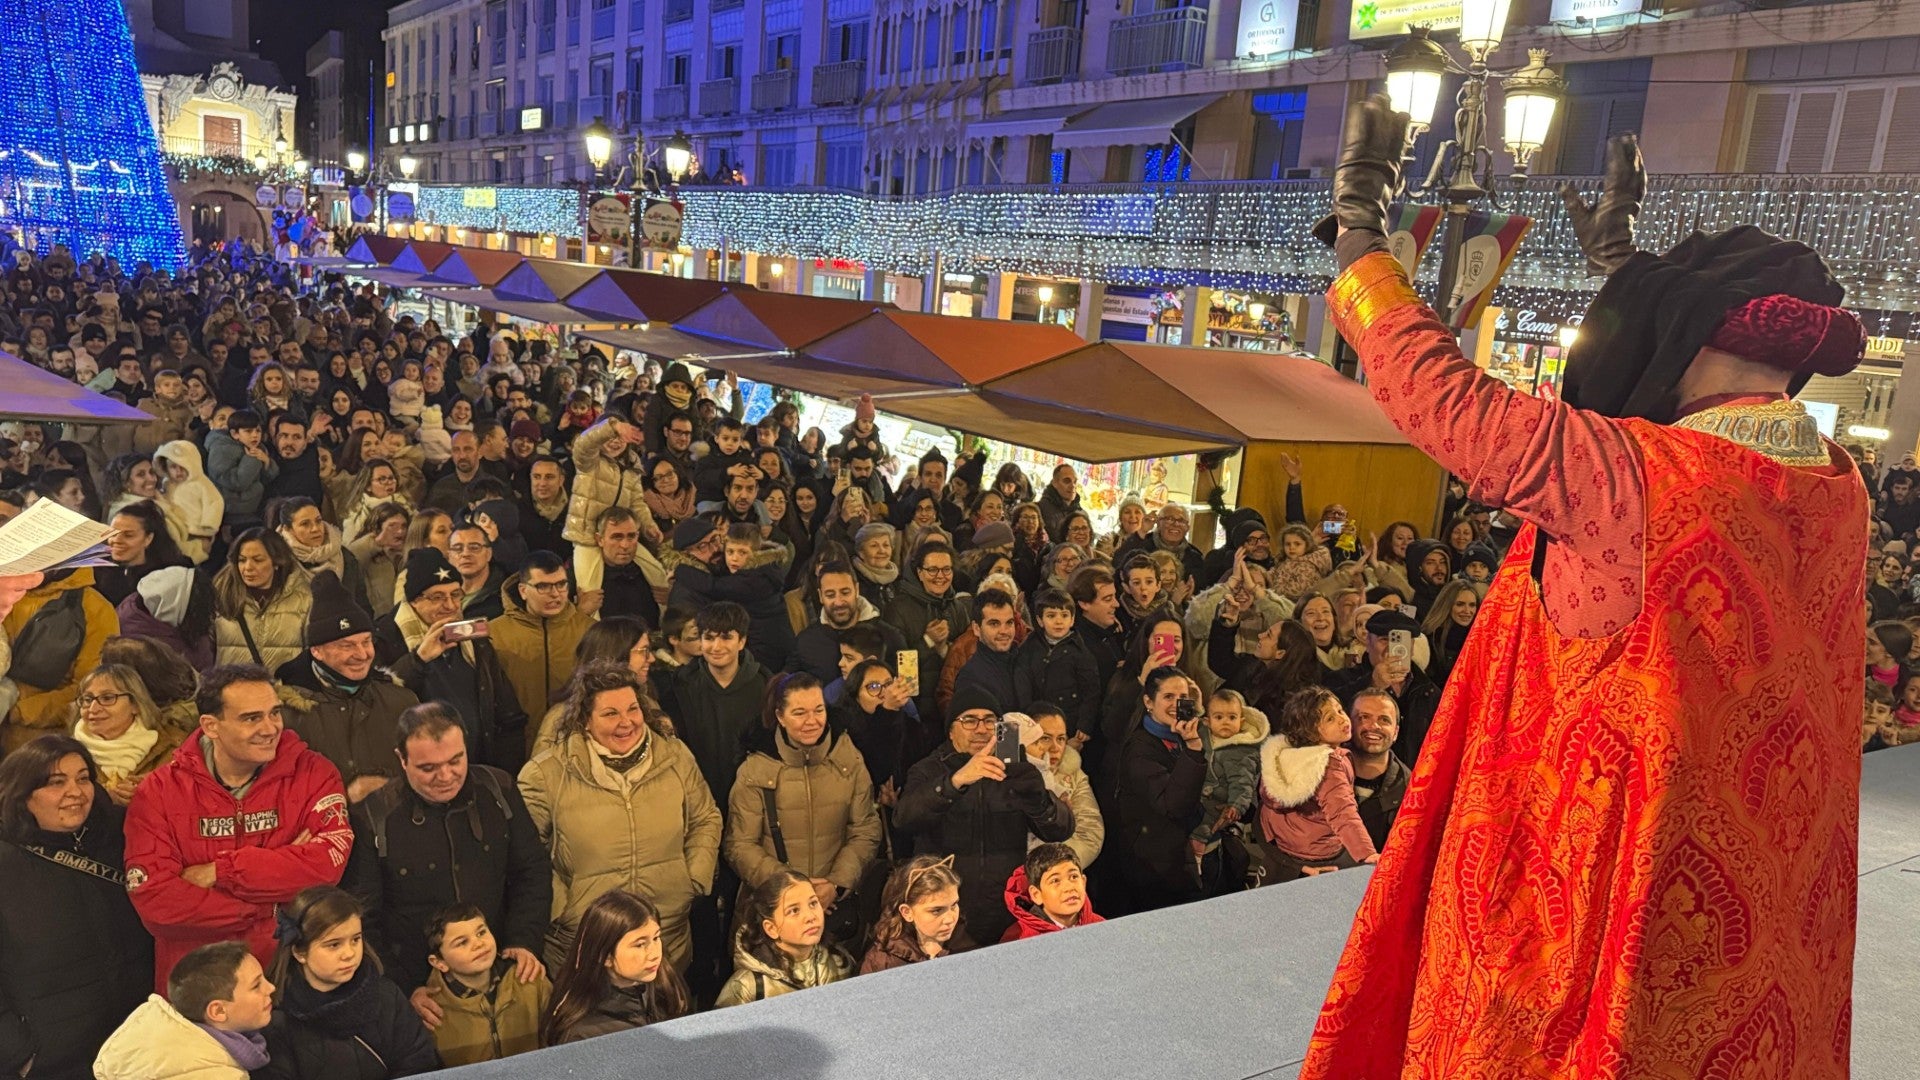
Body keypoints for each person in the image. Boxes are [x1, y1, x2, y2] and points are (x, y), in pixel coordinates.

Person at [123, 664, 352, 991]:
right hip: (201, 989)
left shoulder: (315, 773)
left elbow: (326, 867)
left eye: (274, 713)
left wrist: (221, 872)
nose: (270, 728)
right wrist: (270, 904)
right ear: (210, 726)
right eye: (251, 718)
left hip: (290, 980)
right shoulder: (158, 792)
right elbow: (157, 902)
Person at [346, 703, 551, 1015]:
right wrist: (402, 989)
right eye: (428, 768)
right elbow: (362, 918)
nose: (446, 776)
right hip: (419, 991)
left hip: (502, 970)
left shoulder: (499, 789)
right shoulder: (373, 816)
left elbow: (532, 872)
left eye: (456, 760)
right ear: (401, 759)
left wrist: (524, 940)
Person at [518, 661, 722, 973]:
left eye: (632, 709)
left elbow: (705, 818)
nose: (625, 722)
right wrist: (564, 907)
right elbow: (525, 856)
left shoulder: (676, 756)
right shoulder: (545, 774)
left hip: (663, 934)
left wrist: (690, 880)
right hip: (586, 943)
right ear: (585, 720)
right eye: (610, 714)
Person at [0, 735, 154, 1078]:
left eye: (83, 778)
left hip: (137, 1040)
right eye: (56, 782)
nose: (75, 791)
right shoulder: (6, 863)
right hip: (53, 1058)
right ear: (22, 794)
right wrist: (18, 1054)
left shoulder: (122, 833)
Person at [895, 685, 1074, 942]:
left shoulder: (1017, 769)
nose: (981, 728)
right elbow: (904, 819)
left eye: (990, 720)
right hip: (946, 914)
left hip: (1007, 910)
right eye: (969, 720)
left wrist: (1039, 799)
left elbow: (1061, 830)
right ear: (951, 730)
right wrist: (955, 782)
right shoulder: (928, 770)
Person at [724, 674, 883, 940]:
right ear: (780, 717)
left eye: (818, 710)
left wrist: (836, 883)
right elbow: (739, 844)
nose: (812, 721)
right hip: (776, 907)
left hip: (834, 907)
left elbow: (865, 828)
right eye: (799, 713)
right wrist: (795, 890)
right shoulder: (755, 769)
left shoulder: (849, 759)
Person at [257, 885, 440, 1078]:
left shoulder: (387, 996)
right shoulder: (275, 1019)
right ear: (300, 952)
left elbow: (420, 1064)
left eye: (355, 939)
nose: (350, 954)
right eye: (334, 945)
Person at [375, 547, 528, 773]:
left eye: (455, 594)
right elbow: (379, 700)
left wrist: (503, 774)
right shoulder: (386, 638)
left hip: (477, 767)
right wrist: (418, 659)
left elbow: (507, 713)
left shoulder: (472, 637)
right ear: (414, 601)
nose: (450, 605)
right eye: (437, 597)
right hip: (424, 772)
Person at [275, 571, 419, 800]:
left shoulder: (402, 701)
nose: (362, 654)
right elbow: (276, 792)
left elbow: (425, 773)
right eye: (346, 646)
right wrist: (343, 796)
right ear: (316, 651)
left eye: (366, 642)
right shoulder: (286, 715)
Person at [92, 941, 276, 1080]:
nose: (271, 988)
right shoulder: (216, 1075)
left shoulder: (156, 1038)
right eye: (256, 985)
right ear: (218, 1011)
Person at [1106, 667, 1209, 914]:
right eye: (1168, 697)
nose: (1176, 704)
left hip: (1172, 858)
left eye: (1182, 696)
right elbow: (1172, 804)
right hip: (1152, 868)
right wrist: (1194, 749)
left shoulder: (1179, 737)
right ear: (1148, 702)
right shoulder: (1140, 749)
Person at [538, 889, 690, 1045]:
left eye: (656, 937)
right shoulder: (582, 1034)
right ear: (605, 957)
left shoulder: (664, 985)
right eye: (640, 945)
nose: (654, 953)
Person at [657, 600, 769, 807]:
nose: (717, 647)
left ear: (742, 641)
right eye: (709, 638)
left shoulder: (764, 685)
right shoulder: (680, 686)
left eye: (726, 637)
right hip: (697, 795)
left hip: (753, 796)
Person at [0, 567, 120, 754]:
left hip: (39, 748)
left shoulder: (94, 608)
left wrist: (18, 710)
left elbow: (88, 689)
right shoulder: (7, 591)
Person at [418, 903, 550, 1065]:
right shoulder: (430, 1010)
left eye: (481, 932)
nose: (478, 944)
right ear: (439, 962)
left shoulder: (530, 981)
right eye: (462, 942)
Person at [714, 868, 856, 1006]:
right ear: (771, 928)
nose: (810, 917)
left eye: (813, 903)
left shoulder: (840, 962)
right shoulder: (747, 987)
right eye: (794, 910)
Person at [491, 550, 596, 728]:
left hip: (573, 735)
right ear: (523, 591)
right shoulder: (494, 633)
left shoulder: (590, 630)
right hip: (514, 739)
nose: (555, 594)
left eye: (561, 584)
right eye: (543, 587)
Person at [1325, 608, 1442, 767]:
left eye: (1401, 641)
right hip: (1355, 775)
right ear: (1368, 642)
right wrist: (1372, 684)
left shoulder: (1429, 690)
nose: (1391, 648)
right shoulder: (1340, 679)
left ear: (1412, 646)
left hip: (1410, 781)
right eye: (1384, 639)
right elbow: (1325, 719)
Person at [69, 664, 188, 804]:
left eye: (107, 698)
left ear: (135, 705)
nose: (93, 709)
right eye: (88, 700)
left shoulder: (176, 746)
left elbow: (191, 801)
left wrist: (154, 790)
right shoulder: (66, 752)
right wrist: (103, 800)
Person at [882, 541, 970, 717]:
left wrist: (944, 649)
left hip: (951, 704)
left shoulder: (958, 608)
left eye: (946, 569)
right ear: (920, 573)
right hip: (915, 707)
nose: (940, 576)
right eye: (932, 570)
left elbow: (969, 657)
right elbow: (893, 666)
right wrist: (928, 641)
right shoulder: (898, 608)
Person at [1190, 689, 1268, 885]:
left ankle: (1196, 861)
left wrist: (1236, 807)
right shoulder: (1205, 734)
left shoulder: (1241, 750)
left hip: (1219, 800)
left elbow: (1243, 784)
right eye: (1219, 717)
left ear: (1241, 721)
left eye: (1231, 717)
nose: (1225, 722)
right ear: (1208, 721)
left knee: (1203, 827)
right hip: (1200, 792)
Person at [211, 528, 313, 670]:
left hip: (284, 690)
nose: (248, 567)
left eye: (257, 560)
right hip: (232, 689)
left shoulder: (305, 598)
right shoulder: (220, 594)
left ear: (277, 562)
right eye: (241, 560)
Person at [789, 562, 907, 682]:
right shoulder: (805, 642)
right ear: (820, 596)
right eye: (830, 595)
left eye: (845, 593)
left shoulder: (891, 637)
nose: (839, 602)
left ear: (856, 590)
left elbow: (909, 688)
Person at [856, 854, 971, 974]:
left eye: (954, 905)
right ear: (907, 912)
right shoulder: (882, 963)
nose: (949, 919)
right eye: (936, 911)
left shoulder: (967, 947)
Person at [1014, 587, 1103, 737]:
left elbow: (1091, 692)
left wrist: (1084, 725)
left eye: (1064, 615)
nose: (1058, 621)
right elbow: (1022, 684)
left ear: (1072, 619)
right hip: (1035, 720)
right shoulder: (1029, 647)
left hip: (1068, 722)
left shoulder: (1081, 652)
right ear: (1039, 620)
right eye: (1051, 616)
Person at [1347, 687, 1410, 853]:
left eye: (1384, 720)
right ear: (1348, 724)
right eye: (1364, 717)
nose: (1374, 726)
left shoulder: (1411, 792)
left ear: (1395, 732)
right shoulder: (1319, 773)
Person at [1000, 842, 1103, 941]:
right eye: (1055, 881)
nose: (1069, 887)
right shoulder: (1018, 938)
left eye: (1073, 877)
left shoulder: (1101, 927)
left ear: (1084, 882)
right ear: (1036, 895)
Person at [948, 587, 1021, 715]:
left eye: (1009, 623)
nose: (1004, 631)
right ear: (976, 628)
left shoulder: (1025, 660)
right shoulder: (971, 678)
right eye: (994, 624)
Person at [153, 440, 223, 564]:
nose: (178, 472)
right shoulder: (167, 483)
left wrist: (209, 524)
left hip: (197, 530)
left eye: (183, 467)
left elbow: (215, 502)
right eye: (173, 467)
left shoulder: (201, 484)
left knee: (197, 557)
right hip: (177, 528)